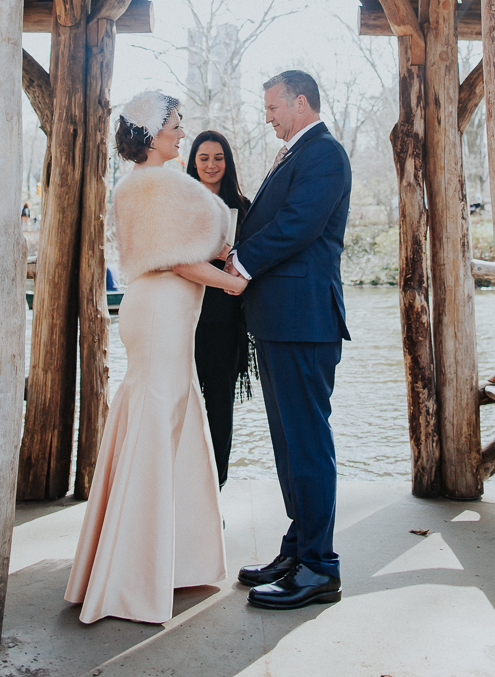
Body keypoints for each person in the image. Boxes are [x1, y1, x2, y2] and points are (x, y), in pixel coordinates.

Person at [64, 90, 248, 625]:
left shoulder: (135, 184)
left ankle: (158, 560)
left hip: (156, 310)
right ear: (150, 134)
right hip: (165, 308)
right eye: (174, 124)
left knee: (165, 414)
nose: (181, 132)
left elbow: (181, 250)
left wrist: (213, 261)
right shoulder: (161, 184)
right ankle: (134, 572)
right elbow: (179, 262)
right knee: (161, 413)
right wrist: (231, 285)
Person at [225, 70, 351, 610]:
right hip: (281, 322)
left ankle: (320, 568)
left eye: (273, 107)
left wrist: (241, 260)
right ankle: (298, 549)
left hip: (305, 322)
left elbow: (299, 224)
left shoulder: (324, 154)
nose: (268, 116)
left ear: (301, 102)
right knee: (287, 445)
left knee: (306, 444)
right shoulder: (294, 154)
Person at [187, 130, 253, 488]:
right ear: (193, 163)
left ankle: (215, 487)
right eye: (203, 158)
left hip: (225, 320)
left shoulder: (243, 207)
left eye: (218, 158)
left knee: (219, 406)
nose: (211, 165)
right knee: (183, 405)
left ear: (227, 163)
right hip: (183, 317)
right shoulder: (181, 202)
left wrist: (231, 259)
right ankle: (182, 489)